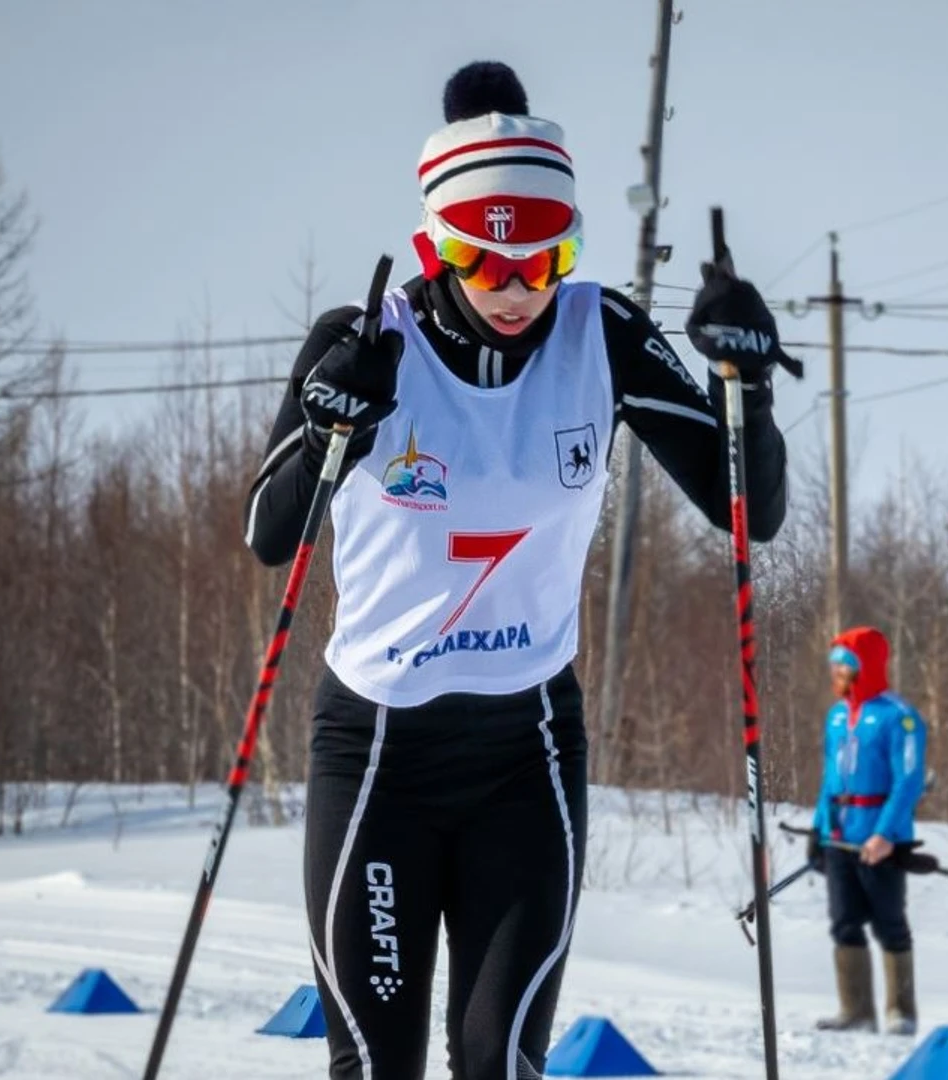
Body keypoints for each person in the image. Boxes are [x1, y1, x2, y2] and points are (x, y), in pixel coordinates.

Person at [242, 61, 797, 1080]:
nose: (514, 290)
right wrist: (330, 422)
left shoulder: (604, 336)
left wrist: (746, 384)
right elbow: (270, 535)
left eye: (543, 264)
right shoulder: (368, 344)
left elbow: (747, 510)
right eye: (483, 262)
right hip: (377, 756)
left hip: (527, 752)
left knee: (502, 1064)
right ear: (436, 248)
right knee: (376, 1066)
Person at [807, 625, 928, 1035]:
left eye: (843, 665)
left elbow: (908, 780)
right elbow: (829, 776)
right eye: (834, 665)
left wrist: (885, 834)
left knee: (889, 922)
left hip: (879, 839)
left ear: (865, 668)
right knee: (844, 921)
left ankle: (900, 1011)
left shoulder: (900, 717)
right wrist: (818, 829)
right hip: (840, 836)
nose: (836, 672)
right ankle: (856, 1011)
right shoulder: (837, 716)